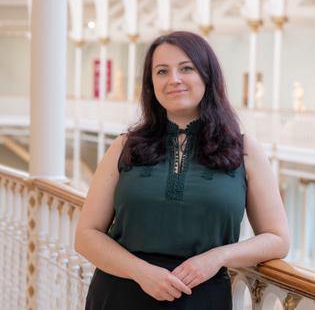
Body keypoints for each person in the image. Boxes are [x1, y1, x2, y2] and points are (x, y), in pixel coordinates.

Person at [75, 31, 289, 310]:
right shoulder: (124, 147)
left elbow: (277, 239)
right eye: (162, 71)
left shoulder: (245, 150)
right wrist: (142, 272)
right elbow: (86, 235)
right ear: (151, 84)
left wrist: (217, 257)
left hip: (201, 298)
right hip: (121, 294)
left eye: (186, 68)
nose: (173, 79)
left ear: (207, 76)